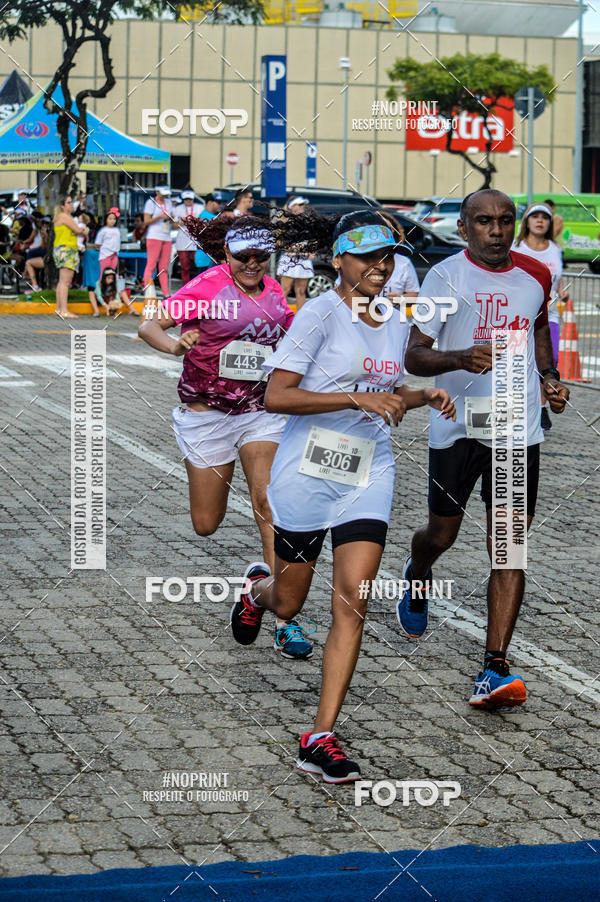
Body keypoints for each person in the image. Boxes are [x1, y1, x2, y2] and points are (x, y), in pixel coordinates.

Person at [230, 210, 456, 782]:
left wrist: (420, 395)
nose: (382, 268)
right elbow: (277, 398)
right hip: (307, 474)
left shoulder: (391, 318)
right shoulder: (318, 314)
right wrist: (358, 402)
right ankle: (257, 595)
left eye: (388, 257)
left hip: (368, 474)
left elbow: (381, 388)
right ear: (340, 260)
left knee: (353, 600)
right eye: (368, 258)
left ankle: (320, 735)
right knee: (290, 602)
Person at [397, 188, 570, 711]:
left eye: (504, 221)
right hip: (457, 428)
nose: (496, 231)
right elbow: (414, 356)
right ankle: (418, 571)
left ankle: (494, 667)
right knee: (441, 534)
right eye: (483, 222)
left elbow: (539, 328)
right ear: (465, 228)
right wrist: (458, 357)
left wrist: (549, 377)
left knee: (509, 546)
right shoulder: (444, 276)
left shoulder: (536, 275)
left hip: (518, 429)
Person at [138, 214, 314, 661]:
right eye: (244, 257)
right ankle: (255, 582)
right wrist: (175, 345)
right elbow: (149, 326)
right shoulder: (206, 287)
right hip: (207, 416)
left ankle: (283, 615)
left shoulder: (274, 291)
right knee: (205, 524)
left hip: (258, 412)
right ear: (227, 255)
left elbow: (289, 335)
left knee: (268, 500)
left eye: (261, 257)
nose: (253, 264)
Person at [513, 202, 568, 431]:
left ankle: (541, 408)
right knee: (519, 364)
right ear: (526, 222)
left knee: (548, 361)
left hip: (549, 314)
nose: (539, 221)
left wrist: (563, 291)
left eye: (544, 218)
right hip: (520, 316)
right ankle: (522, 410)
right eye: (534, 216)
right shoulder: (517, 247)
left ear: (549, 223)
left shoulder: (554, 249)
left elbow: (557, 276)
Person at [53, 196, 89, 319]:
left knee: (62, 281)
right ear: (62, 206)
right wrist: (85, 229)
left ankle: (59, 308)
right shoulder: (64, 216)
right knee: (66, 281)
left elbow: (74, 231)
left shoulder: (62, 217)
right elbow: (78, 230)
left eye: (71, 202)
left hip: (63, 249)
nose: (71, 204)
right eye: (68, 202)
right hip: (66, 249)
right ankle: (64, 310)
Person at [276, 197, 314, 309]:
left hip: (304, 260)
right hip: (289, 260)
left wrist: (312, 251)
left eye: (303, 204)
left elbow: (314, 239)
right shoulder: (284, 222)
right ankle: (279, 316)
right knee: (285, 289)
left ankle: (300, 319)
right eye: (299, 204)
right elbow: (278, 242)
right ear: (292, 206)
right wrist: (292, 248)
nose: (302, 206)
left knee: (301, 291)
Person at [377, 212, 420, 302]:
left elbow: (415, 294)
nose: (382, 267)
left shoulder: (404, 262)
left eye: (388, 229)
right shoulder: (356, 260)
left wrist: (401, 299)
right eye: (378, 227)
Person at [143, 185, 174, 298]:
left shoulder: (169, 202)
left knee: (164, 267)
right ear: (156, 191)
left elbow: (172, 220)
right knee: (151, 265)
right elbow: (146, 221)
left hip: (167, 236)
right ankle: (147, 291)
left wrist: (171, 218)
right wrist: (160, 217)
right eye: (161, 192)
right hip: (154, 236)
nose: (164, 195)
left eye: (165, 193)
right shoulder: (150, 203)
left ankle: (166, 294)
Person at [174, 190, 203, 285]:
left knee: (199, 264)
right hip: (182, 241)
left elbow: (204, 222)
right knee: (185, 267)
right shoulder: (178, 208)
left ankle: (199, 285)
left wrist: (195, 220)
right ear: (183, 200)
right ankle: (185, 286)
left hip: (196, 240)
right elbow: (173, 226)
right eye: (186, 199)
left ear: (193, 199)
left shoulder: (200, 207)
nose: (188, 201)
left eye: (190, 199)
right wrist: (182, 222)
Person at [193, 193, 223, 274]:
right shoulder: (210, 218)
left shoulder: (202, 215)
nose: (220, 205)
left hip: (204, 259)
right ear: (210, 202)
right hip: (207, 260)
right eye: (218, 203)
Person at [23, 212, 46, 292]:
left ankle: (26, 272)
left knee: (29, 254)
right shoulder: (39, 228)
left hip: (48, 256)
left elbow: (43, 247)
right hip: (44, 254)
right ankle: (34, 284)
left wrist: (44, 237)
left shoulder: (45, 230)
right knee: (29, 257)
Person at [96, 207, 122, 275]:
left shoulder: (117, 230)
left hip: (115, 255)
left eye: (114, 219)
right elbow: (97, 244)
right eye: (110, 219)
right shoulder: (103, 230)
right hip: (105, 255)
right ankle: (102, 285)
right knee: (104, 273)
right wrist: (105, 250)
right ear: (106, 219)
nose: (112, 221)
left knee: (112, 273)